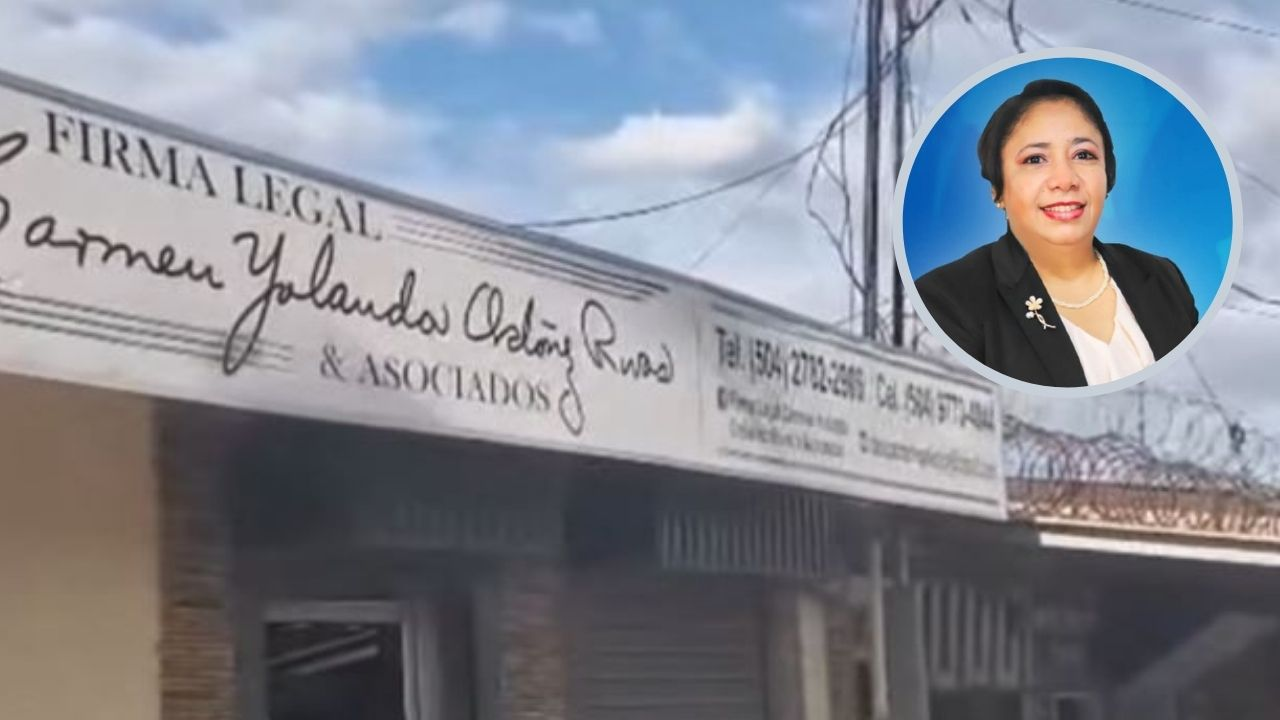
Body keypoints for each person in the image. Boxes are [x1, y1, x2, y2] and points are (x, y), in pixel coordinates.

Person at [915, 79, 1198, 387]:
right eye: (1035, 159)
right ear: (998, 190)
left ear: (1108, 175)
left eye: (1083, 155)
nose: (1065, 180)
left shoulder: (1163, 279)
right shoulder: (946, 300)